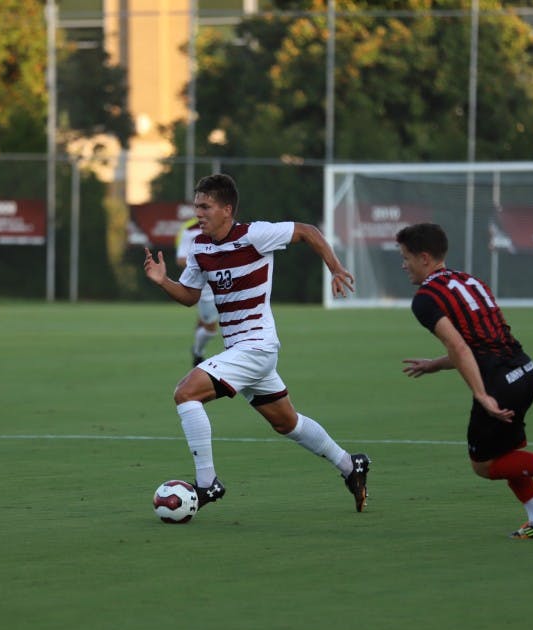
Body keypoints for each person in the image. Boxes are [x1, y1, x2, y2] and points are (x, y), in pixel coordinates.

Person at [143, 173, 371, 512]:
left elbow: (308, 231)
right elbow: (190, 297)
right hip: (241, 350)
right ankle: (351, 465)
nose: (198, 214)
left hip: (256, 346)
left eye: (205, 207)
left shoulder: (255, 234)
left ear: (226, 209)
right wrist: (164, 281)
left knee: (185, 393)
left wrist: (335, 268)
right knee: (286, 423)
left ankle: (207, 484)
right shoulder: (200, 247)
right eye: (196, 207)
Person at [395, 223, 533, 539]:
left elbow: (460, 347)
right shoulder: (471, 281)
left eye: (405, 257)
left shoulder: (424, 299)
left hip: (501, 386)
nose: (403, 264)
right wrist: (434, 365)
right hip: (526, 372)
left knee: (484, 465)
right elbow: (480, 344)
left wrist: (482, 395)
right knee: (508, 457)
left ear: (423, 257)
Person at [175, 216, 220, 366]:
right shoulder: (190, 230)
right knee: (211, 330)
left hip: (226, 283)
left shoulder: (228, 227)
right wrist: (205, 261)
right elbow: (181, 259)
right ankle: (198, 351)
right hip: (206, 289)